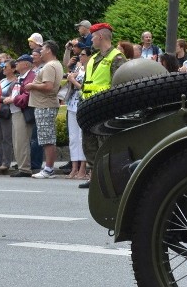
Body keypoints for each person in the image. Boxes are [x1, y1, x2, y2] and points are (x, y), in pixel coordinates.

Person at [80, 23, 126, 188]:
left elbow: (120, 83)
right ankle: (95, 176)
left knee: (105, 144)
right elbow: (87, 82)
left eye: (93, 36)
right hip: (89, 106)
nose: (91, 39)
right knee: (89, 144)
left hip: (105, 107)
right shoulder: (93, 58)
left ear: (100, 36)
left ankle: (107, 180)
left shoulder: (117, 57)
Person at [26, 41, 63, 179]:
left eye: (42, 49)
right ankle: (48, 168)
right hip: (46, 104)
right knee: (47, 137)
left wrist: (31, 86)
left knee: (47, 139)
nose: (40, 52)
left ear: (48, 50)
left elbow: (48, 86)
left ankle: (48, 169)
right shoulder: (56, 64)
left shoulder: (49, 66)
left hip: (45, 105)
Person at [4, 55, 36, 177]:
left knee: (22, 141)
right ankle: (22, 166)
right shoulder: (22, 77)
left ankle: (25, 168)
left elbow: (27, 96)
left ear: (26, 64)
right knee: (17, 141)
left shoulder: (31, 76)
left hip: (22, 111)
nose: (16, 63)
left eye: (19, 61)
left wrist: (13, 99)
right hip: (16, 111)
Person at [64, 49, 88, 179]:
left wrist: (73, 81)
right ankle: (74, 167)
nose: (80, 57)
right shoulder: (78, 70)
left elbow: (84, 87)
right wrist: (71, 78)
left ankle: (83, 168)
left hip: (82, 105)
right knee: (73, 138)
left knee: (81, 138)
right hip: (72, 105)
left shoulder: (90, 70)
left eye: (83, 55)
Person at [0, 60, 16, 173]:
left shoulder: (15, 82)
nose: (3, 69)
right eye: (3, 67)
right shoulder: (2, 80)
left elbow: (12, 97)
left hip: (6, 112)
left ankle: (6, 162)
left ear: (13, 69)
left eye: (6, 67)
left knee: (6, 138)